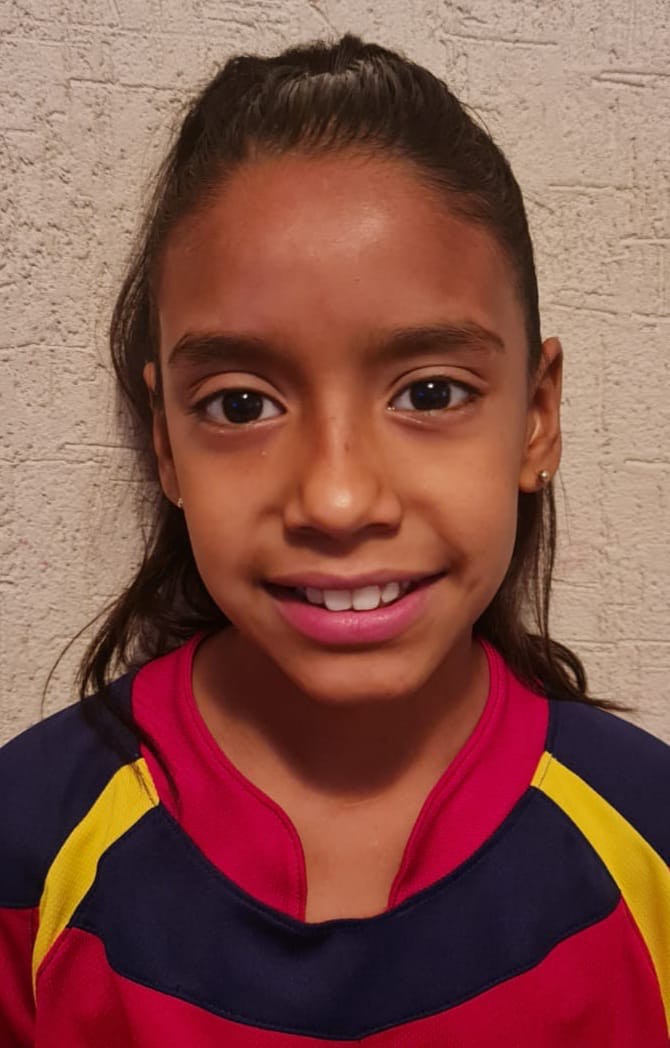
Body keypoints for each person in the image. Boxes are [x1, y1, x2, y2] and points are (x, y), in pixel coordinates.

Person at [1, 32, 668, 1047]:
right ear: (166, 443)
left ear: (536, 417)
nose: (339, 498)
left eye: (430, 393)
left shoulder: (648, 842)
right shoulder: (28, 850)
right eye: (240, 404)